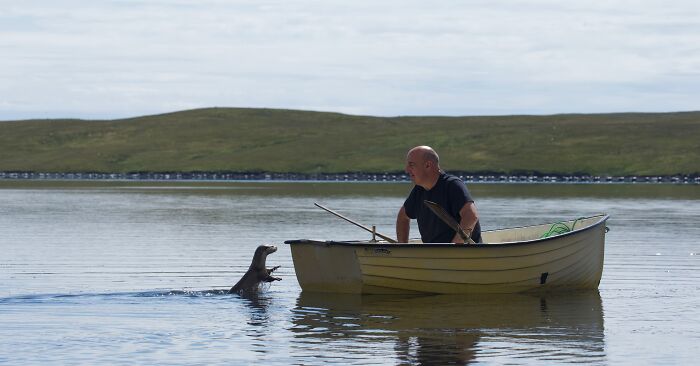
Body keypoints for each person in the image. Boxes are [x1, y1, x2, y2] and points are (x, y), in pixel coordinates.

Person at [396, 146, 482, 244]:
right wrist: (403, 248)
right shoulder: (419, 189)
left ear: (428, 165)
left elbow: (471, 216)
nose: (406, 170)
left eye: (411, 165)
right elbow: (403, 216)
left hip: (465, 255)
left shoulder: (452, 185)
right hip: (434, 255)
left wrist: (454, 248)